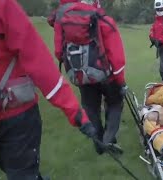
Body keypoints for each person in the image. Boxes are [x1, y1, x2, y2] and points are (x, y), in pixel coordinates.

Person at [0, 0, 96, 180]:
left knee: (21, 171)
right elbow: (41, 65)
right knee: (24, 172)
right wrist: (76, 114)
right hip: (16, 115)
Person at [54, 0, 126, 155]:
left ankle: (99, 144)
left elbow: (59, 52)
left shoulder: (62, 19)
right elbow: (117, 58)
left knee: (90, 107)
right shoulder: (102, 19)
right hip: (107, 75)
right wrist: (120, 81)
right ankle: (108, 140)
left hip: (81, 74)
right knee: (115, 103)